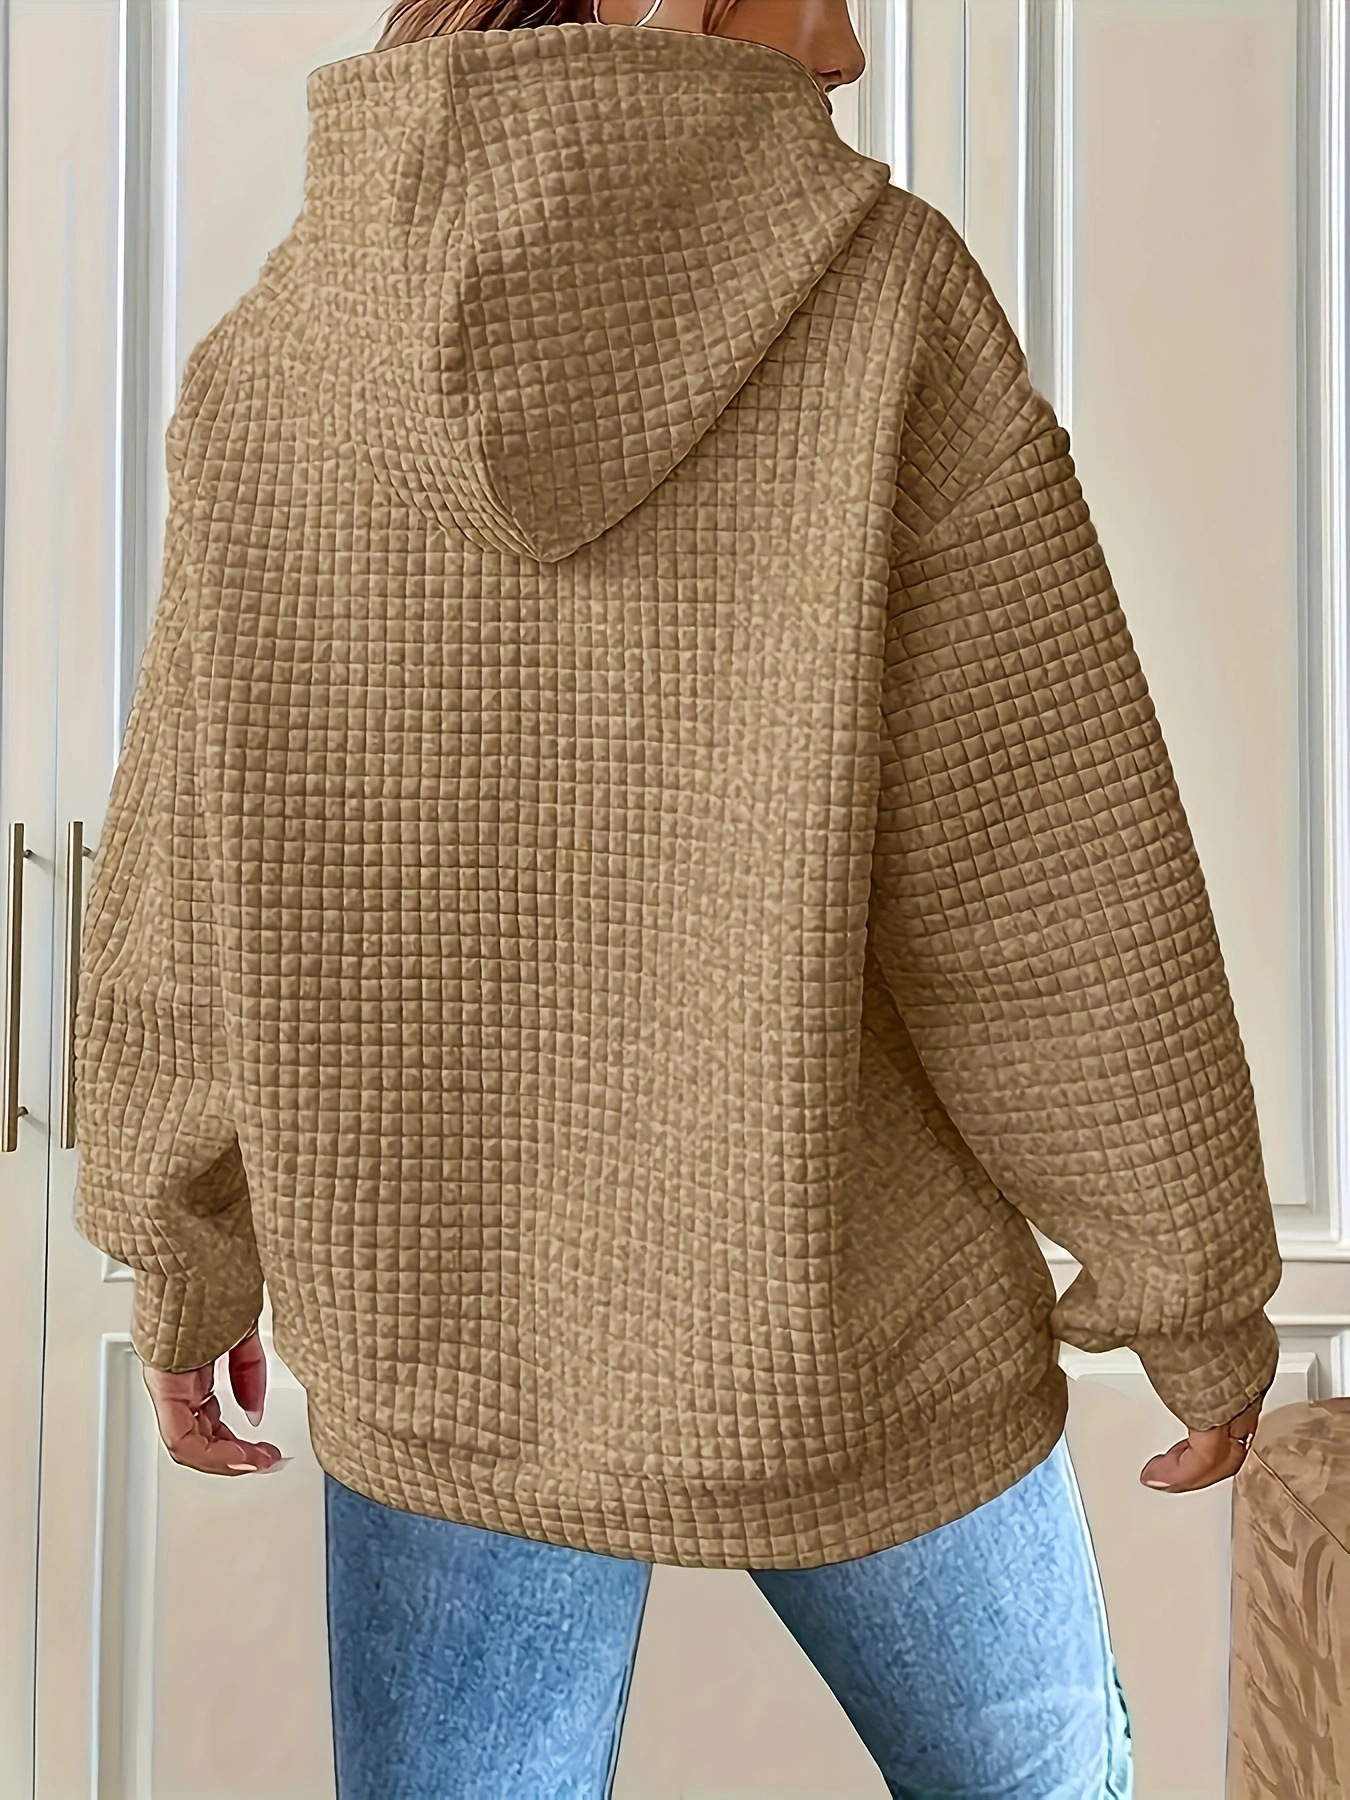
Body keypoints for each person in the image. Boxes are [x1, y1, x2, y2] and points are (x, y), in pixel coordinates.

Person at [71, 0, 1282, 1793]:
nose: (848, 51)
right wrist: (1191, 1285)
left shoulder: (278, 353)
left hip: (444, 1326)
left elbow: (184, 873)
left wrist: (177, 1248)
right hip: (842, 1313)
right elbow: (1041, 875)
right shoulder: (887, 309)